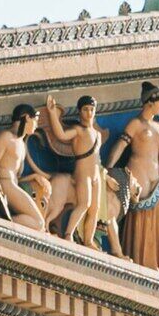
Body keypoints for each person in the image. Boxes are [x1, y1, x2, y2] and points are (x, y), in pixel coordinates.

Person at [112, 82, 159, 274]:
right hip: (138, 178)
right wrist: (108, 168)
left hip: (157, 182)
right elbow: (121, 146)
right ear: (150, 102)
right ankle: (139, 262)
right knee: (139, 224)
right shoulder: (136, 124)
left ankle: (158, 265)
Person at [38, 92, 107, 239]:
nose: (89, 113)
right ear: (79, 111)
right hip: (83, 174)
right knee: (84, 204)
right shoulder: (78, 131)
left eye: (91, 109)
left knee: (95, 208)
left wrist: (105, 175)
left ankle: (88, 240)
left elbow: (98, 159)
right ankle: (68, 234)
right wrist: (52, 115)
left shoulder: (97, 135)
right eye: (85, 109)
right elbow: (61, 135)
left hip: (96, 175)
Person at [0, 103, 51, 227]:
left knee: (38, 223)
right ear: (27, 118)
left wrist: (34, 177)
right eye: (35, 120)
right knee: (38, 223)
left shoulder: (21, 144)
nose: (36, 125)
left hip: (11, 184)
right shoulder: (6, 137)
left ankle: (6, 223)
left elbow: (16, 179)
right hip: (3, 184)